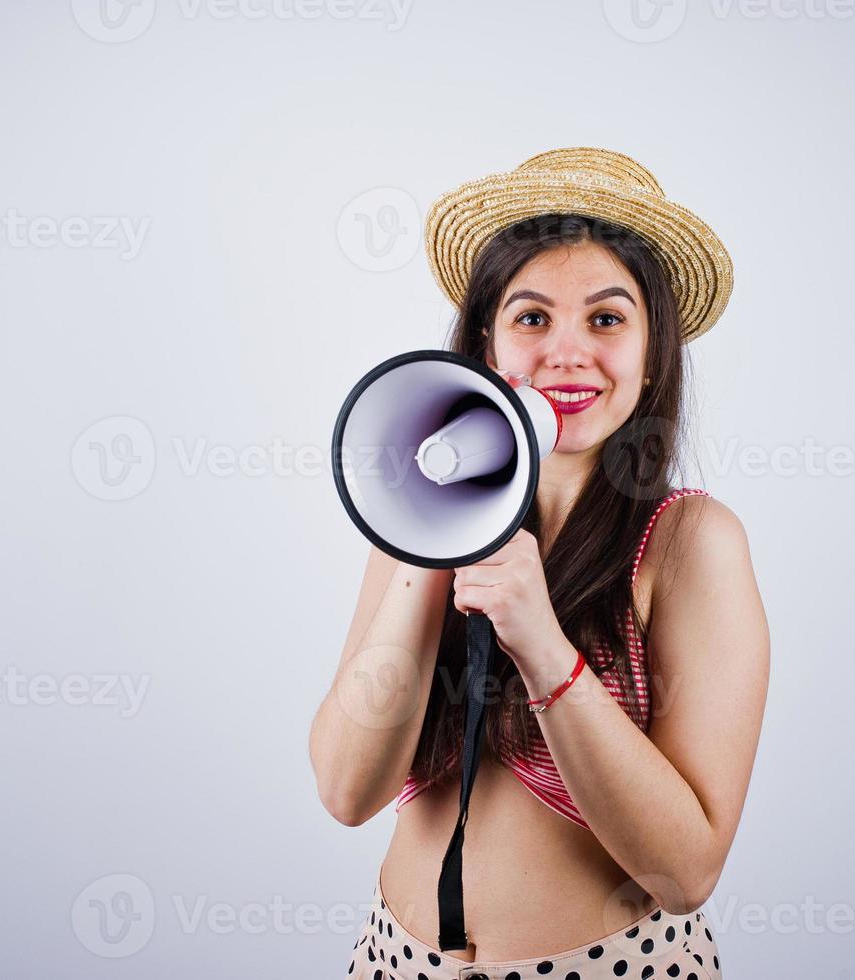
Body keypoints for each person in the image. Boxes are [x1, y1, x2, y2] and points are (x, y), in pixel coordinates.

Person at [310, 147, 769, 979]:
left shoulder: (689, 542)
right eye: (530, 318)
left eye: (605, 319)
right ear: (486, 347)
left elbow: (687, 871)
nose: (566, 353)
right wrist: (432, 536)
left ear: (652, 353)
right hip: (393, 960)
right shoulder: (412, 524)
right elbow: (346, 791)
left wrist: (542, 643)